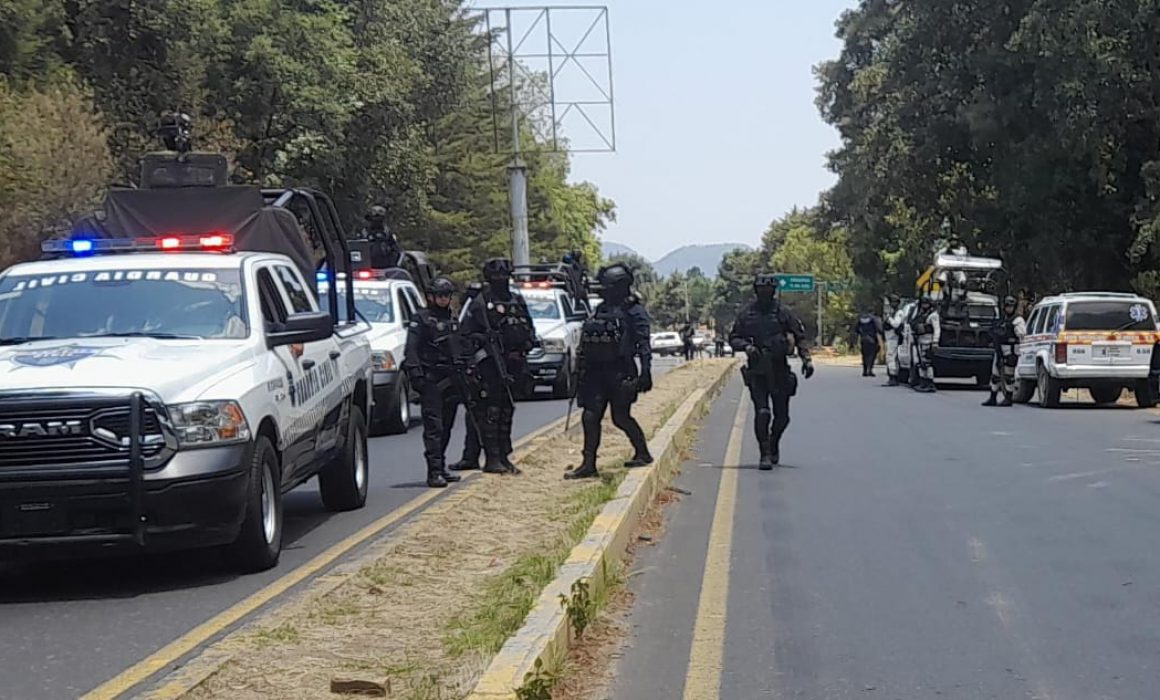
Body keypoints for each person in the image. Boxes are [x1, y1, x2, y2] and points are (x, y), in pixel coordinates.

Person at [565, 263, 654, 480]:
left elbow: (643, 343)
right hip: (596, 373)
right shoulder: (601, 308)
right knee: (590, 416)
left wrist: (646, 371)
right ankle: (588, 463)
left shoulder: (634, 311)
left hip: (621, 371)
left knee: (620, 417)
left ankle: (642, 452)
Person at [455, 258, 537, 474]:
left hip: (513, 364)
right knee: (491, 411)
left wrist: (525, 346)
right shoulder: (480, 304)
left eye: (504, 277)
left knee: (506, 410)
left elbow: (530, 329)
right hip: (488, 366)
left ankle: (504, 455)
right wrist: (474, 360)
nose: (501, 281)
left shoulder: (517, 301)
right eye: (496, 278)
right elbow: (464, 337)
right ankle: (492, 458)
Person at [730, 273, 814, 469]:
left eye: (769, 290)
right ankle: (764, 453)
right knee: (762, 412)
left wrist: (807, 360)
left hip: (779, 368)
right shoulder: (746, 314)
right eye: (762, 290)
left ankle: (774, 441)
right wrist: (746, 347)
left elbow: (799, 336)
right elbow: (733, 338)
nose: (765, 294)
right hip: (758, 369)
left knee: (782, 417)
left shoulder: (783, 313)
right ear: (756, 291)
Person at [402, 277, 465, 488]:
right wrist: (416, 374)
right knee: (434, 427)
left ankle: (442, 466)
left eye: (447, 295)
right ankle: (434, 471)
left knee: (447, 425)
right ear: (431, 296)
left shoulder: (453, 320)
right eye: (439, 295)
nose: (443, 299)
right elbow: (411, 349)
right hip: (431, 379)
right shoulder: (421, 319)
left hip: (452, 379)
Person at [983, 295, 1026, 406]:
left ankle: (1008, 397)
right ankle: (993, 397)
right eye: (1007, 306)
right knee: (995, 374)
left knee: (1008, 375)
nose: (1009, 308)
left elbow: (1021, 334)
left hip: (1011, 350)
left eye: (1011, 306)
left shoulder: (1017, 320)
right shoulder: (1002, 319)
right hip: (999, 350)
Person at [910, 294, 940, 393]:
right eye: (923, 303)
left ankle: (930, 382)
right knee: (920, 363)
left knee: (927, 363)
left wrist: (935, 342)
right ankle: (923, 382)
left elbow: (937, 329)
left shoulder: (933, 315)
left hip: (928, 341)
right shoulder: (921, 314)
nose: (924, 305)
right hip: (920, 340)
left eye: (926, 303)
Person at [358, 205, 404, 269]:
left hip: (386, 267)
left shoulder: (387, 233)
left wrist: (395, 265)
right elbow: (358, 250)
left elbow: (397, 250)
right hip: (367, 267)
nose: (376, 220)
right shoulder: (364, 233)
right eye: (374, 217)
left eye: (379, 217)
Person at [882, 294, 906, 386]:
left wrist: (889, 319)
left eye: (893, 302)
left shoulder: (899, 312)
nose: (892, 304)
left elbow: (896, 324)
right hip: (889, 337)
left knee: (891, 357)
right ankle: (892, 376)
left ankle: (893, 377)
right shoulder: (893, 312)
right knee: (891, 357)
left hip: (894, 337)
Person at [852, 309, 882, 377]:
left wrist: (861, 333)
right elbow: (879, 329)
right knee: (872, 355)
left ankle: (865, 370)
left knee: (864, 355)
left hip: (863, 339)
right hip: (872, 339)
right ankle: (870, 370)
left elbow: (856, 329)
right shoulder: (874, 319)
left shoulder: (861, 319)